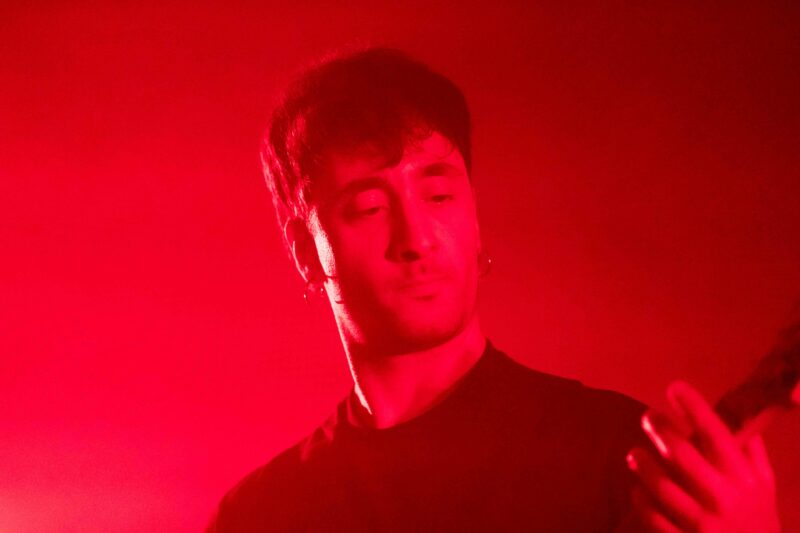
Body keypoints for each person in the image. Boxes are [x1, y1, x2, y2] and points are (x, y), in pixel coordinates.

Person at [207, 47, 781, 532]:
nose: (416, 239)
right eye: (370, 207)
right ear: (306, 253)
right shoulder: (259, 516)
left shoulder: (622, 457)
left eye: (440, 196)